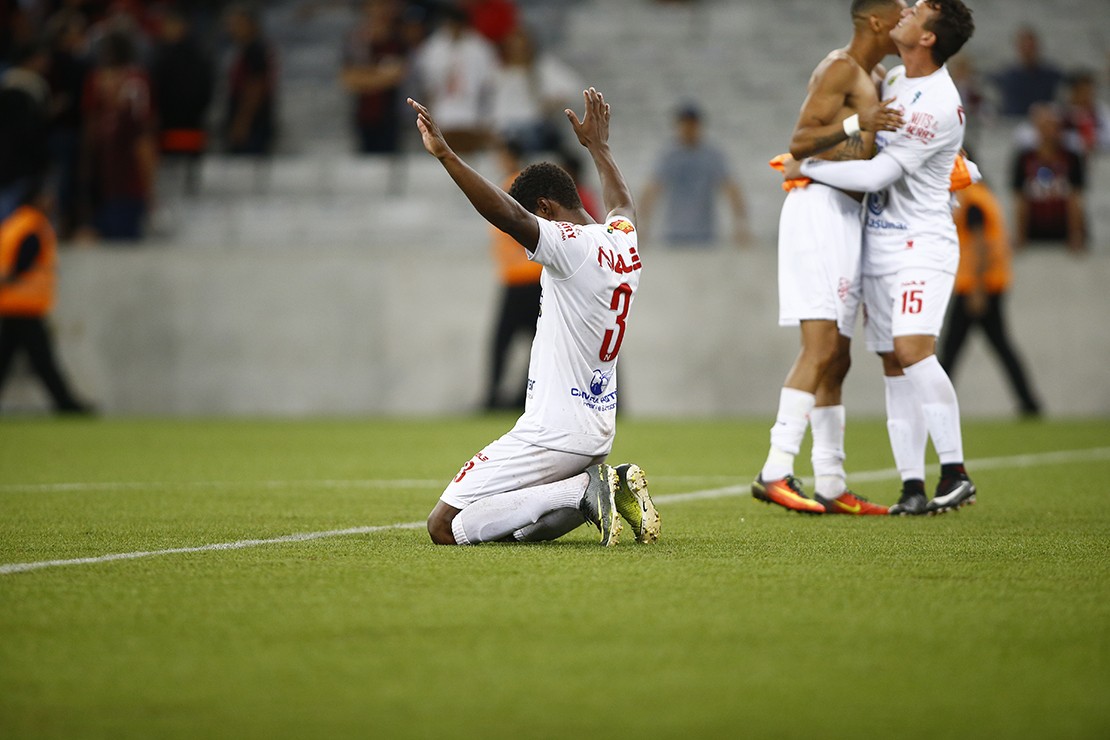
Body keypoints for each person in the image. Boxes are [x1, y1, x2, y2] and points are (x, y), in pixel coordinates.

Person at [412, 87, 660, 547]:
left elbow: (507, 215)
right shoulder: (622, 240)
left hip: (553, 431)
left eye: (536, 217)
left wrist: (446, 155)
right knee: (523, 529)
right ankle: (600, 484)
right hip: (596, 434)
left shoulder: (570, 246)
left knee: (443, 526)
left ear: (545, 208)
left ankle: (584, 489)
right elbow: (622, 204)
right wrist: (599, 148)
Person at [788, 0, 977, 515]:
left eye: (918, 11)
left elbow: (877, 174)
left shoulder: (938, 102)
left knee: (912, 349)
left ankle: (956, 472)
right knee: (893, 360)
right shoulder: (894, 79)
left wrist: (806, 167)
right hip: (880, 241)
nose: (906, 11)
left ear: (929, 37)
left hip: (921, 242)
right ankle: (912, 485)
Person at [752, 0, 907, 516]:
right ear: (877, 21)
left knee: (838, 357)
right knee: (819, 348)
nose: (908, 18)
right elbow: (799, 141)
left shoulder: (877, 75)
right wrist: (858, 122)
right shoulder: (840, 67)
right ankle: (774, 469)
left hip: (847, 214)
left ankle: (832, 482)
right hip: (817, 208)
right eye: (901, 12)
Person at [939, 173, 1042, 417]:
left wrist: (977, 289)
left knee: (952, 349)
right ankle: (1029, 403)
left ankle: (936, 404)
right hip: (990, 282)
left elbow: (979, 242)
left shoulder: (971, 200)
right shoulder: (985, 196)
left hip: (976, 286)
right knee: (1000, 346)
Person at [0, 185, 93, 414]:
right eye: (46, 197)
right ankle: (65, 403)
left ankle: (65, 402)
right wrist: (10, 279)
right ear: (36, 199)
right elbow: (22, 263)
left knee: (8, 358)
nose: (51, 202)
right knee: (43, 359)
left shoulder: (13, 223)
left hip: (11, 303)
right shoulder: (34, 225)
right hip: (25, 304)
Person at [78, 29, 156, 241]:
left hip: (126, 187)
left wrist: (149, 188)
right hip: (104, 182)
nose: (107, 84)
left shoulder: (129, 117)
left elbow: (143, 142)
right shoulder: (103, 118)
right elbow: (90, 127)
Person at [638, 102, 750, 247]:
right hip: (673, 233)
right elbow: (651, 190)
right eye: (685, 124)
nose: (688, 129)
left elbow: (731, 188)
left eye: (692, 124)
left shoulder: (711, 155)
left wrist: (740, 224)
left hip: (705, 234)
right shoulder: (669, 156)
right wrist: (642, 225)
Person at [483, 138, 540, 411]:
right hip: (526, 277)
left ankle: (496, 397)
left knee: (502, 342)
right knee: (535, 342)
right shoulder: (520, 184)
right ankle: (521, 397)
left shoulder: (515, 186)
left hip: (522, 277)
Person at [411, 4, 498, 154]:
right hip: (442, 114)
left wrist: (485, 119)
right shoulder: (432, 49)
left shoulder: (481, 49)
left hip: (472, 115)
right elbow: (427, 88)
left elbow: (488, 87)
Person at [150, 8, 215, 194]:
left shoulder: (197, 54)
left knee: (189, 175)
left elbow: (205, 87)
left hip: (188, 123)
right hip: (167, 124)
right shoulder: (161, 52)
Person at [1011, 102, 1087, 253]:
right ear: (1036, 128)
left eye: (1053, 125)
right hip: (1034, 230)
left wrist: (1076, 234)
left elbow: (1075, 197)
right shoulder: (1024, 158)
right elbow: (1020, 198)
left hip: (1063, 231)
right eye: (1044, 126)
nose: (1049, 131)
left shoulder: (1071, 158)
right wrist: (1020, 234)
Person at [339, 0, 409, 155]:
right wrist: (380, 75)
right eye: (373, 6)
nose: (378, 11)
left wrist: (364, 77)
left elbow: (398, 74)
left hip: (390, 114)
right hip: (364, 114)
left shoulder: (396, 39)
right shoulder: (355, 40)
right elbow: (347, 78)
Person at [222, 3, 277, 156]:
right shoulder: (242, 49)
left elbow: (255, 86)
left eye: (238, 23)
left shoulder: (255, 49)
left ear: (251, 24)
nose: (233, 28)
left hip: (253, 125)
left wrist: (242, 122)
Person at [992, 26, 1063, 119]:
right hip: (1013, 122)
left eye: (1030, 46)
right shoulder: (1006, 77)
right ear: (1018, 48)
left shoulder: (1052, 75)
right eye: (1024, 46)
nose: (1028, 50)